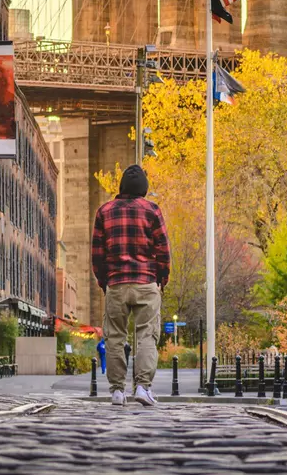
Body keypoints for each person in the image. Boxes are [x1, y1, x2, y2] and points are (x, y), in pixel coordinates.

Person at [92, 164, 170, 406]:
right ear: (143, 189)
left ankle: (117, 391)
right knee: (147, 335)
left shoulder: (104, 212)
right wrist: (161, 279)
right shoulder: (153, 211)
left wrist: (105, 281)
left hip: (116, 283)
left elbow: (97, 253)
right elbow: (163, 251)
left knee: (115, 337)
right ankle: (143, 388)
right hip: (146, 282)